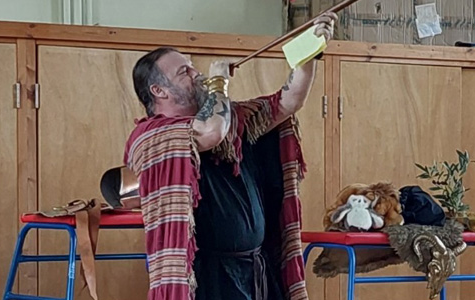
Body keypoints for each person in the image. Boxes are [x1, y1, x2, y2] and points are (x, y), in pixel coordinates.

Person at [122, 13, 337, 300]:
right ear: (158, 91)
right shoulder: (152, 136)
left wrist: (310, 48)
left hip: (255, 270)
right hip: (208, 277)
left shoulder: (230, 118)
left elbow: (289, 101)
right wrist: (219, 84)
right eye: (184, 72)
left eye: (192, 68)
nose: (196, 74)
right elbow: (211, 132)